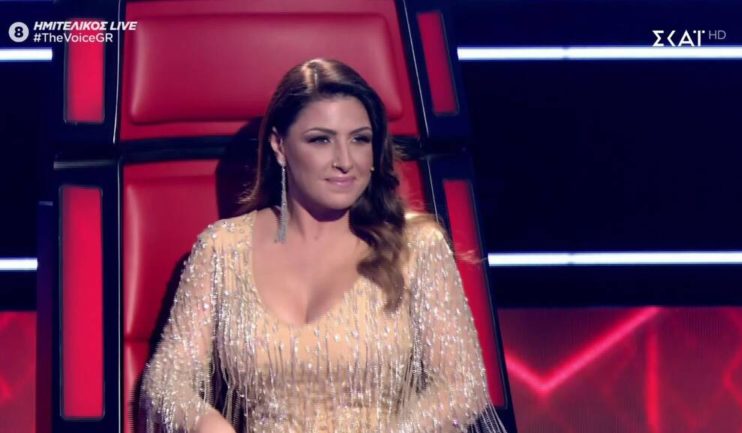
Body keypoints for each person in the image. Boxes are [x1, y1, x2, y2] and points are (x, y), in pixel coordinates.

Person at [141, 58, 507, 433]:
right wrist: (208, 425)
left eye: (360, 139)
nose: (345, 161)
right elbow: (167, 379)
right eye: (321, 140)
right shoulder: (222, 248)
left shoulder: (416, 247)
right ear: (279, 146)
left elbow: (462, 386)